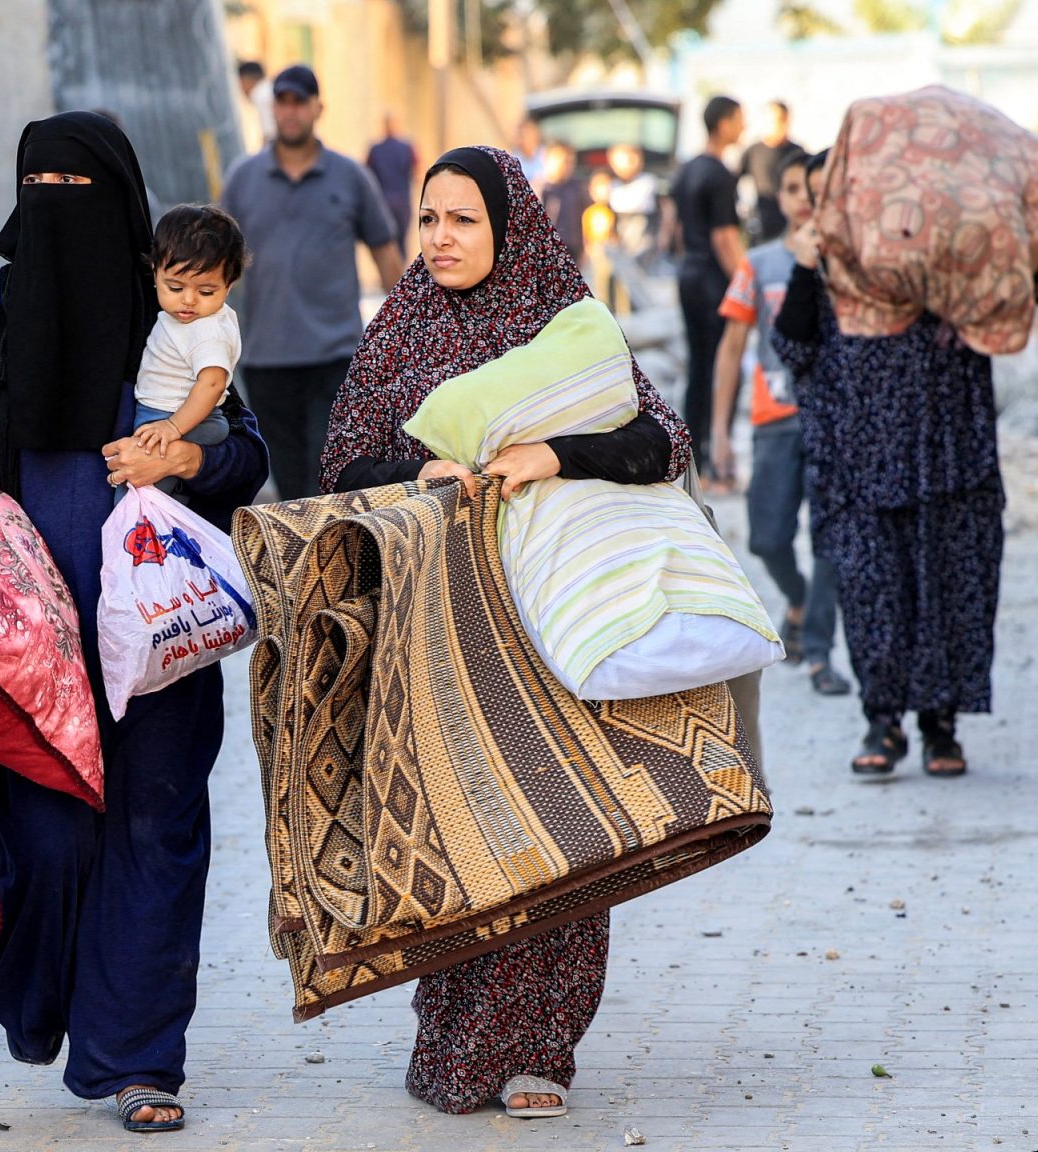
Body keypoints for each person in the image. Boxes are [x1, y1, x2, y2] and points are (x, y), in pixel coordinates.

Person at [0, 111, 268, 1134]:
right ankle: (39, 998)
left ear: (127, 208)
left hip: (159, 647)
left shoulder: (178, 316)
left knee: (153, 836)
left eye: (80, 193)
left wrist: (184, 459)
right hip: (21, 655)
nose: (60, 212)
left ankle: (139, 1061)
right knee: (40, 849)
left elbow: (245, 450)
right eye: (41, 188)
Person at [319, 145, 693, 1119]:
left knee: (567, 828)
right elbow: (346, 464)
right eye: (429, 218)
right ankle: (457, 1035)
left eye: (463, 220)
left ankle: (543, 1048)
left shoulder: (567, 324)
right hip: (441, 622)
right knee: (462, 827)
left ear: (509, 226)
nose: (439, 238)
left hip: (563, 615)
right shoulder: (400, 326)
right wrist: (416, 480)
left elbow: (663, 442)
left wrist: (550, 455)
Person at [769, 150, 1002, 779]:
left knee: (944, 589)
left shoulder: (930, 253)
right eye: (816, 199)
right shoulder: (820, 268)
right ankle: (883, 721)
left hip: (942, 459)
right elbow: (791, 345)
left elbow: (995, 316)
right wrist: (802, 267)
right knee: (873, 596)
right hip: (856, 464)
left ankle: (940, 727)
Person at [222, 63, 403, 500]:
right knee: (288, 484)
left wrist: (404, 333)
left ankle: (337, 565)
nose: (290, 111)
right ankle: (303, 568)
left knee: (331, 476)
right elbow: (218, 262)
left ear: (318, 108)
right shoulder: (243, 178)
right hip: (267, 357)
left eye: (299, 101)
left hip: (336, 356)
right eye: (283, 101)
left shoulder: (351, 176)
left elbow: (385, 250)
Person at [711, 149, 851, 698]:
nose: (803, 200)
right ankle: (796, 600)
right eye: (793, 189)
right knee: (768, 536)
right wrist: (719, 430)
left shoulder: (846, 259)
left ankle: (819, 652)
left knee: (829, 540)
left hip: (832, 419)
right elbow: (731, 348)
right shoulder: (760, 262)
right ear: (782, 197)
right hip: (773, 418)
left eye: (812, 190)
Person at [129, 203, 246, 496]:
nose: (189, 300)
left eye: (206, 291)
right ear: (155, 272)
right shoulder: (188, 320)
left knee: (140, 495)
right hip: (169, 416)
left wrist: (172, 427)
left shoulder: (207, 330)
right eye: (175, 288)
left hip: (186, 418)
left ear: (229, 285)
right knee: (162, 495)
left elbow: (213, 382)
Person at [661, 95, 746, 484]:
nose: (743, 126)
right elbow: (725, 238)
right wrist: (749, 282)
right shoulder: (719, 174)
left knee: (698, 368)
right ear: (724, 124)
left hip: (688, 275)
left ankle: (695, 459)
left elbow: (675, 232)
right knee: (723, 369)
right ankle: (716, 462)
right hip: (713, 279)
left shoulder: (687, 169)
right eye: (739, 119)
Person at [739, 100, 803, 244]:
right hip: (762, 226)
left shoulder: (797, 153)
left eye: (781, 120)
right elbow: (731, 183)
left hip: (791, 226)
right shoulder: (753, 151)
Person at [365, 110, 418, 256]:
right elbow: (418, 171)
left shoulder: (375, 150)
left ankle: (392, 276)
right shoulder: (407, 148)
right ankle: (401, 276)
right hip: (402, 201)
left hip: (383, 201)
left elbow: (366, 174)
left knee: (387, 242)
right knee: (401, 242)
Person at [605, 143, 659, 256]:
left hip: (644, 242)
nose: (633, 164)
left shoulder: (648, 182)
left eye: (636, 159)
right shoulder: (609, 185)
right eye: (628, 160)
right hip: (617, 245)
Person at [540, 140, 587, 266]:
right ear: (547, 159)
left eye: (570, 161)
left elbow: (586, 220)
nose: (566, 165)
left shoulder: (578, 189)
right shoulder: (537, 190)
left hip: (572, 251)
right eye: (562, 160)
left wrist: (585, 249)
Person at [236, 60, 274, 153]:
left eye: (240, 83)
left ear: (246, 80)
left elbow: (270, 135)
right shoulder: (268, 89)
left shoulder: (260, 95)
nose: (240, 89)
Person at [512, 117, 547, 190]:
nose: (519, 140)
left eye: (523, 136)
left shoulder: (547, 156)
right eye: (518, 136)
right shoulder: (512, 159)